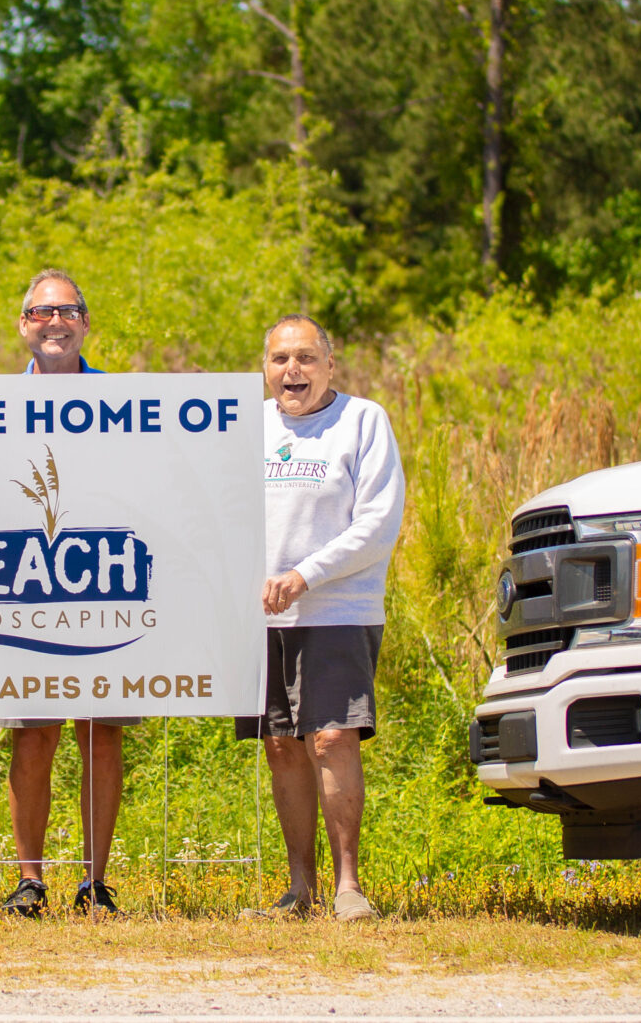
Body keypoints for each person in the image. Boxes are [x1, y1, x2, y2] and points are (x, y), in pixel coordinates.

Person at [0, 267, 135, 917]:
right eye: (42, 313)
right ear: (23, 325)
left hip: (103, 588)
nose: (55, 322)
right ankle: (29, 880)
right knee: (33, 736)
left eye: (67, 310)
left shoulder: (124, 398)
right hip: (23, 593)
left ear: (86, 322)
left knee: (102, 734)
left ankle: (96, 884)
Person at [242, 315, 404, 923]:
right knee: (282, 746)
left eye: (307, 358)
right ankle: (299, 888)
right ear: (265, 368)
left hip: (338, 607)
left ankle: (349, 886)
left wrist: (305, 574)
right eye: (281, 359)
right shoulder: (246, 427)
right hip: (261, 615)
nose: (294, 371)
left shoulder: (363, 421)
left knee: (333, 738)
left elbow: (377, 524)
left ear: (330, 365)